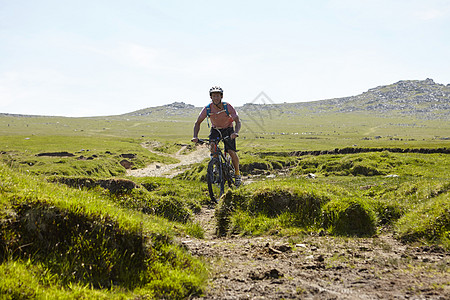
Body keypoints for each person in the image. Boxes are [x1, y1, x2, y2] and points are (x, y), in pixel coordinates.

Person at [192, 86, 242, 187]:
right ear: (211, 97)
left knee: (231, 152)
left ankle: (237, 173)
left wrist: (235, 132)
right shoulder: (207, 108)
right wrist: (195, 136)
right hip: (215, 130)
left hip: (228, 129)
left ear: (221, 96)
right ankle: (216, 164)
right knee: (212, 146)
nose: (216, 98)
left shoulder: (227, 107)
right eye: (214, 96)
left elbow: (237, 121)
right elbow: (197, 123)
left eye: (218, 96)